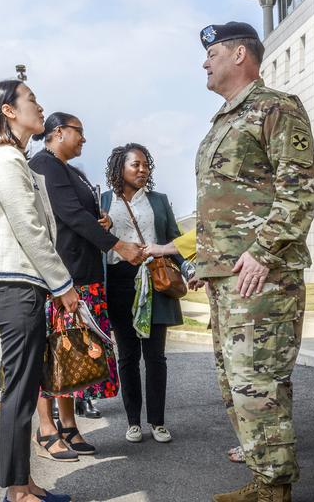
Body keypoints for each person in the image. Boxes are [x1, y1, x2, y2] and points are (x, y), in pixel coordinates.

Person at [197, 22, 314, 502]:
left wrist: (264, 252)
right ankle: (263, 476)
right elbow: (220, 205)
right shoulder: (223, 120)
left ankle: (275, 486)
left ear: (240, 54)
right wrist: (203, 263)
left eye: (212, 53)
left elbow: (299, 189)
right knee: (236, 383)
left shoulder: (276, 108)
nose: (204, 63)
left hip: (262, 277)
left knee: (258, 381)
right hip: (227, 278)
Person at [0, 79, 78, 502]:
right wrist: (64, 285)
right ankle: (17, 494)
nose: (40, 105)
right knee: (18, 393)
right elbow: (30, 231)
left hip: (25, 288)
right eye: (31, 99)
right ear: (9, 111)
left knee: (25, 388)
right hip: (15, 289)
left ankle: (24, 484)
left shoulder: (16, 159)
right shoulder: (4, 158)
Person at [29, 113, 142, 459]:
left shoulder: (69, 170)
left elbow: (83, 214)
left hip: (83, 271)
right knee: (54, 351)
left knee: (72, 354)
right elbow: (70, 216)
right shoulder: (44, 165)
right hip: (62, 276)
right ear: (58, 132)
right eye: (79, 132)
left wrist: (101, 220)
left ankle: (68, 424)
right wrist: (117, 244)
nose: (83, 139)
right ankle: (46, 427)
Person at [99, 143, 183, 446]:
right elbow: (95, 241)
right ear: (119, 167)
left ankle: (158, 422)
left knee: (155, 357)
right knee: (128, 357)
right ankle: (133, 422)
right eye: (136, 164)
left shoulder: (159, 201)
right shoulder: (104, 202)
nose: (143, 169)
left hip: (154, 281)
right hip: (118, 283)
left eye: (146, 165)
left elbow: (175, 238)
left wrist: (189, 270)